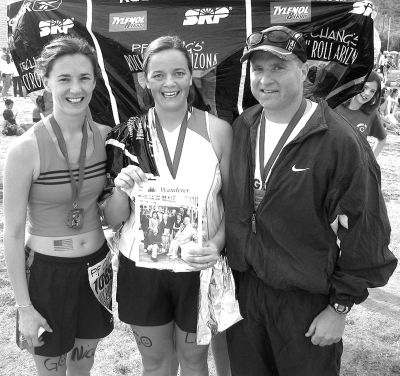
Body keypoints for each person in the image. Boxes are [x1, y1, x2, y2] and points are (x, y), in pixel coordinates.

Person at [225, 25, 397, 376]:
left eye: (279, 67)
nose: (265, 79)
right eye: (258, 69)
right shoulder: (245, 124)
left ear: (304, 71)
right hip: (246, 292)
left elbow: (365, 230)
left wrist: (339, 307)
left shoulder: (338, 141)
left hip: (304, 300)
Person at [102, 35, 232, 376]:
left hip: (197, 266)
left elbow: (235, 205)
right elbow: (114, 220)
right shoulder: (126, 135)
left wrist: (216, 245)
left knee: (193, 361)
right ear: (146, 80)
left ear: (191, 76)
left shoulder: (219, 131)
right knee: (156, 364)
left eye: (178, 73)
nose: (169, 82)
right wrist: (119, 190)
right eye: (158, 75)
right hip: (142, 269)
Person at [3, 36, 113, 376]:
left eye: (84, 78)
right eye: (64, 78)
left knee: (83, 365)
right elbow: (12, 233)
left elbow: (113, 208)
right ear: (46, 80)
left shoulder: (107, 137)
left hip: (96, 267)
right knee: (51, 370)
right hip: (47, 274)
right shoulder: (25, 149)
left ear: (95, 80)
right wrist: (24, 306)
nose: (75, 88)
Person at [335, 71, 387, 157]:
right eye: (365, 87)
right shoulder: (335, 106)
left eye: (372, 91)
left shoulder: (372, 114)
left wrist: (371, 162)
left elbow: (382, 139)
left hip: (353, 168)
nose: (367, 93)